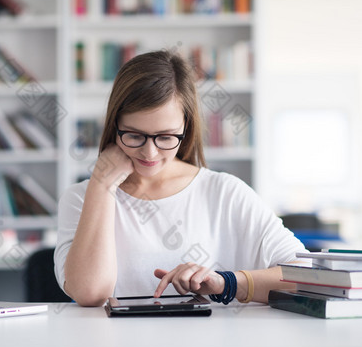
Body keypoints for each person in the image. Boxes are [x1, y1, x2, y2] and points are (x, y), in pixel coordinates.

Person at [54, 50, 306, 307]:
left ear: (186, 127)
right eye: (134, 135)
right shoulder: (82, 198)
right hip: (114, 346)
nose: (149, 152)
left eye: (165, 137)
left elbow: (308, 277)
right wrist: (102, 183)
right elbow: (90, 293)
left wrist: (226, 283)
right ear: (114, 124)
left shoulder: (224, 193)